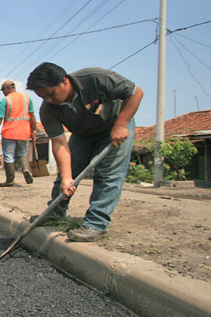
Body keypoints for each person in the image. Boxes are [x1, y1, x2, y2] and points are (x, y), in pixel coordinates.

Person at [26, 63, 143, 242]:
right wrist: (66, 177)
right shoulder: (48, 109)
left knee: (107, 174)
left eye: (50, 94)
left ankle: (96, 224)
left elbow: (135, 92)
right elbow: (59, 143)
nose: (48, 100)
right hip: (82, 134)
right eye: (43, 97)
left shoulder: (95, 78)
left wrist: (121, 124)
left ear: (64, 81)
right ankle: (55, 214)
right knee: (66, 175)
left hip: (114, 125)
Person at [0, 80, 37, 187]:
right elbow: (32, 116)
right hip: (24, 132)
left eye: (3, 90)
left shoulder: (5, 100)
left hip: (9, 133)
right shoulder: (27, 98)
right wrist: (34, 129)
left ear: (6, 88)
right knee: (22, 154)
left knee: (9, 156)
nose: (3, 93)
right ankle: (25, 169)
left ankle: (10, 181)